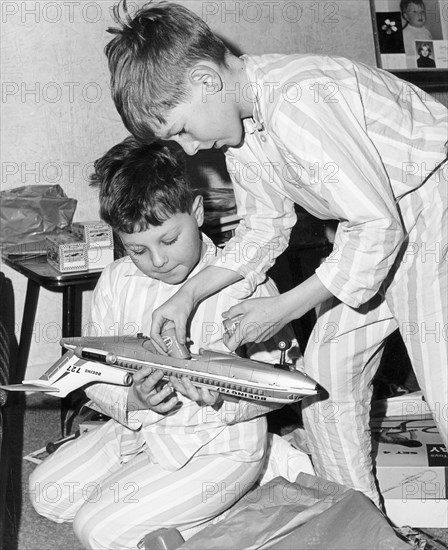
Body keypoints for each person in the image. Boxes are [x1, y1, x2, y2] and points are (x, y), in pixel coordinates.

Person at [104, 1, 447, 508]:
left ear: (204, 80)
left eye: (180, 129)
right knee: (328, 373)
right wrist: (187, 297)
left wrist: (284, 308)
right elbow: (265, 228)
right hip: (379, 233)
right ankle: (359, 523)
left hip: (433, 212)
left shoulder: (298, 97)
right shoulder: (242, 127)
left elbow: (378, 226)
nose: (191, 149)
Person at [28, 138, 301, 549]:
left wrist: (223, 396)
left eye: (169, 240)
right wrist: (133, 399)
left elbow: (286, 382)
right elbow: (90, 370)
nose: (157, 261)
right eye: (137, 248)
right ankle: (162, 492)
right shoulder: (117, 280)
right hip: (137, 432)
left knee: (96, 530)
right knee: (45, 494)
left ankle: (242, 495)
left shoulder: (246, 283)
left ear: (196, 211)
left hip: (219, 446)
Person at [400, 0, 433, 65]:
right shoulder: (405, 34)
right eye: (414, 12)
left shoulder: (427, 32)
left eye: (422, 11)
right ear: (406, 16)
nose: (420, 14)